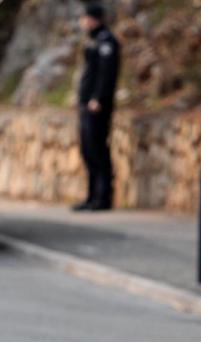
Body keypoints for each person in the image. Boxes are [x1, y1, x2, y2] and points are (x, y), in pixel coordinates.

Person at [72, 2, 121, 212]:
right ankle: (92, 196)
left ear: (94, 19)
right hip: (87, 105)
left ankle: (103, 197)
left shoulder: (107, 42)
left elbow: (106, 75)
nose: (83, 22)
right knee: (88, 150)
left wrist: (98, 99)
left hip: (97, 106)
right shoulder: (94, 42)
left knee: (98, 149)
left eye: (85, 18)